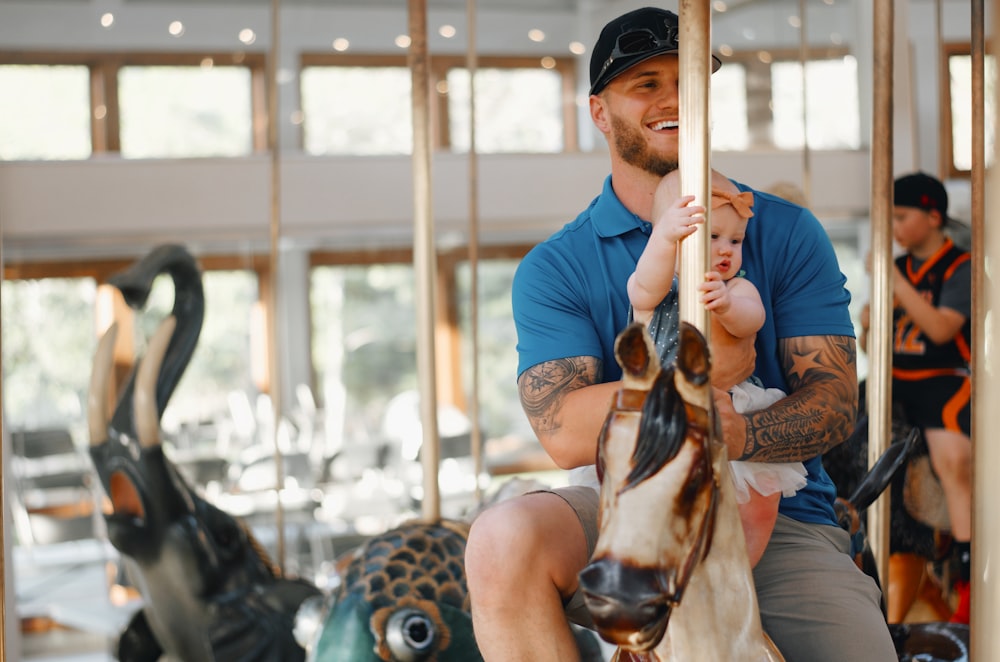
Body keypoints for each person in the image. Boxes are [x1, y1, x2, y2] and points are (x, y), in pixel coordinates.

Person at [464, 7, 897, 662]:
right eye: (645, 84)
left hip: (776, 522)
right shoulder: (558, 265)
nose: (672, 100)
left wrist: (742, 431)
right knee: (502, 539)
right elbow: (562, 431)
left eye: (686, 81)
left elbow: (834, 400)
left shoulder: (781, 231)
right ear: (599, 112)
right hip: (626, 509)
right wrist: (687, 412)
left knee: (860, 648)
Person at [627, 167, 806, 562]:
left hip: (733, 403)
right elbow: (645, 285)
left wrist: (725, 306)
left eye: (736, 239)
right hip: (667, 405)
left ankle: (742, 567)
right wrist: (664, 239)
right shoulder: (652, 289)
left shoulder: (737, 288)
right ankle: (679, 562)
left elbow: (752, 318)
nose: (727, 249)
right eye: (712, 237)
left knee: (761, 495)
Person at [859, 171, 972, 624]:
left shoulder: (958, 267)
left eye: (902, 217)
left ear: (932, 216)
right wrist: (871, 321)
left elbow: (942, 328)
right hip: (893, 377)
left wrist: (894, 285)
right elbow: (875, 344)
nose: (895, 228)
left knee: (952, 462)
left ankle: (965, 556)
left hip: (940, 379)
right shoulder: (901, 269)